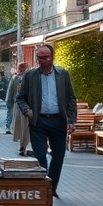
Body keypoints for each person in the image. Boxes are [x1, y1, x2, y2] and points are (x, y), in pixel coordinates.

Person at [16, 43, 77, 197]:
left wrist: (71, 120)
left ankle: (52, 187)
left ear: (52, 57)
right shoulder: (30, 76)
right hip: (38, 121)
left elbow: (71, 99)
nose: (41, 60)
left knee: (58, 155)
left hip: (58, 121)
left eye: (45, 57)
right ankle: (44, 186)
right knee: (40, 154)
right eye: (39, 57)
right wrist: (28, 112)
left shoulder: (63, 74)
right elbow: (20, 98)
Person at [7, 62, 32, 154]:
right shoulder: (16, 78)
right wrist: (10, 102)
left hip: (24, 106)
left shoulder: (27, 77)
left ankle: (25, 146)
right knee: (23, 127)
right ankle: (24, 146)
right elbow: (11, 91)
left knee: (25, 127)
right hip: (20, 106)